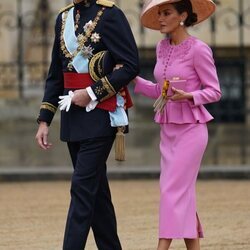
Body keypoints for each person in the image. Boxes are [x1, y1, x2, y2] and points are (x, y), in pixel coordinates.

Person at [35, 0, 139, 249]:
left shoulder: (111, 15)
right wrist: (44, 119)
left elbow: (131, 65)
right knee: (97, 196)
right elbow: (56, 74)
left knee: (81, 190)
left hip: (101, 115)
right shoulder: (63, 18)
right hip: (73, 119)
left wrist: (92, 93)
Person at [134, 0, 221, 249]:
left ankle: (161, 247)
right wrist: (133, 80)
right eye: (159, 13)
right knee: (182, 195)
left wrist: (191, 96)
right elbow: (161, 91)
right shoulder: (162, 48)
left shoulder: (199, 49)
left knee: (171, 192)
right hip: (168, 131)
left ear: (183, 15)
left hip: (191, 131)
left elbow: (215, 91)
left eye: (167, 13)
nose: (161, 18)